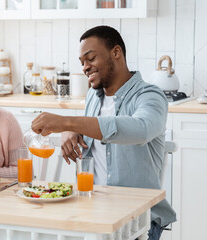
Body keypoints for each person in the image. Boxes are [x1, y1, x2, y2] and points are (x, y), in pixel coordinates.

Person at [31, 25, 176, 240]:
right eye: (82, 63)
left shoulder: (150, 95)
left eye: (90, 58)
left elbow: (141, 129)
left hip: (139, 218)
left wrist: (67, 122)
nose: (85, 67)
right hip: (95, 212)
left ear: (116, 53)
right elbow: (90, 127)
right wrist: (69, 130)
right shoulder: (93, 96)